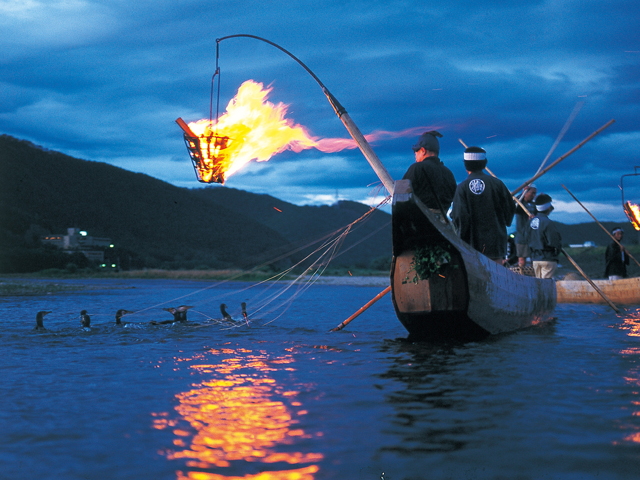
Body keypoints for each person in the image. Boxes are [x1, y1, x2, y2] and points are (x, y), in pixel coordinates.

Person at [451, 146, 516, 262]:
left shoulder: (462, 188)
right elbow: (510, 208)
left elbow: (459, 216)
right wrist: (506, 221)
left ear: (465, 165)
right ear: (485, 163)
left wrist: (461, 238)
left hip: (472, 246)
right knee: (496, 277)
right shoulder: (497, 184)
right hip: (496, 245)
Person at [402, 130, 457, 223]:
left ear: (423, 150)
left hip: (419, 225)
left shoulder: (416, 168)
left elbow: (401, 196)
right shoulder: (449, 173)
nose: (415, 154)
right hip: (444, 229)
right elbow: (457, 201)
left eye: (416, 150)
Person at [528, 193, 563, 279]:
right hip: (548, 258)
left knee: (538, 284)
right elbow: (554, 241)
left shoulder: (530, 222)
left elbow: (527, 238)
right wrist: (556, 252)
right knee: (546, 286)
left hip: (535, 259)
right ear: (548, 208)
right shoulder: (548, 223)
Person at [514, 184, 537, 267]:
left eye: (535, 193)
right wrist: (522, 193)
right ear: (526, 193)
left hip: (533, 236)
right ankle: (521, 275)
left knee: (534, 259)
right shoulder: (520, 204)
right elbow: (514, 203)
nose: (534, 196)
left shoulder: (534, 205)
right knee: (522, 260)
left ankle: (534, 276)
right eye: (532, 193)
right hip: (522, 236)